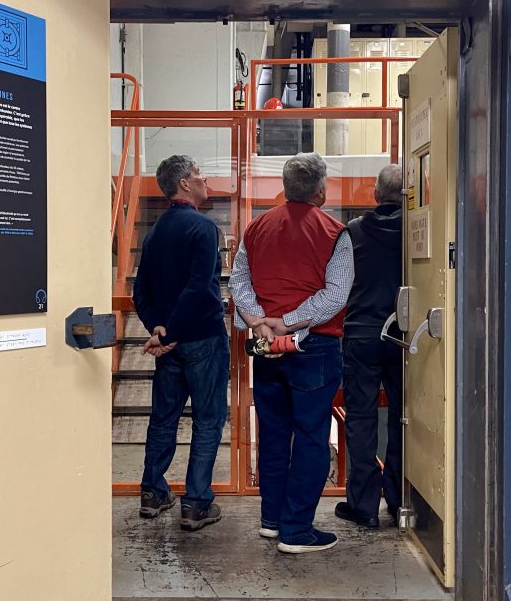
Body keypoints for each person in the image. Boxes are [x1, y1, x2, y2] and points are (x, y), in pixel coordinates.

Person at [229, 152, 353, 554]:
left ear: (284, 188)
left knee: (274, 431)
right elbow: (335, 294)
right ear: (321, 190)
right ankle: (296, 530)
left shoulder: (256, 228)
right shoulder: (336, 233)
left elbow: (239, 281)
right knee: (312, 436)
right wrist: (291, 322)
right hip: (313, 346)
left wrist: (259, 321)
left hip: (265, 346)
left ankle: (271, 519)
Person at [132, 155, 229, 531]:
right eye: (199, 174)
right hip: (202, 339)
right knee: (208, 421)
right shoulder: (204, 229)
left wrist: (158, 329)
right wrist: (169, 333)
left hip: (168, 346)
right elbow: (197, 289)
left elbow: (141, 289)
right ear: (185, 184)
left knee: (163, 419)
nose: (205, 180)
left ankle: (153, 492)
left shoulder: (154, 232)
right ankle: (196, 504)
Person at [336, 164, 404, 529]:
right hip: (404, 335)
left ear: (376, 194)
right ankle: (399, 500)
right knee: (403, 418)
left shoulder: (354, 232)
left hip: (361, 334)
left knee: (360, 419)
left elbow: (339, 284)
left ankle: (363, 507)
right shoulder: (416, 229)